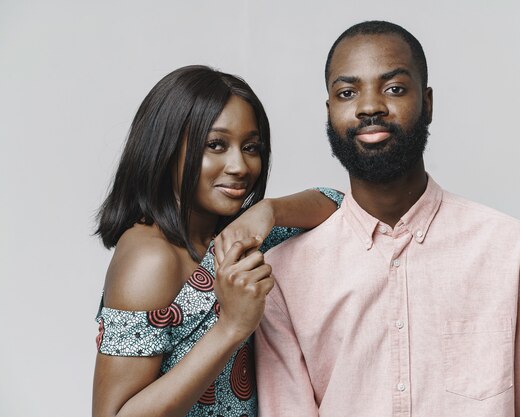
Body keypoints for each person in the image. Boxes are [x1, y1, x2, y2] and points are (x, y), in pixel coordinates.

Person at [255, 21, 520, 417]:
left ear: (428, 102)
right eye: (348, 92)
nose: (370, 106)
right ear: (330, 110)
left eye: (394, 88)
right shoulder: (282, 275)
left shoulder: (512, 251)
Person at [92, 65, 343, 417]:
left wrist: (271, 210)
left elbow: (338, 204)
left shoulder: (233, 238)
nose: (240, 166)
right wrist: (232, 327)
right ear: (165, 147)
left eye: (251, 147)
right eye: (216, 145)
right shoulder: (151, 258)